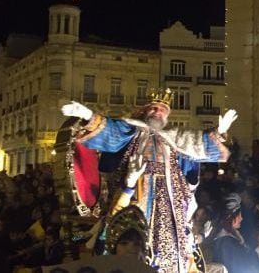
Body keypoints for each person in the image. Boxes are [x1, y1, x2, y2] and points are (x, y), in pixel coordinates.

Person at [62, 88, 237, 273]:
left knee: (174, 251)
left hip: (171, 205)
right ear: (144, 111)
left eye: (162, 109)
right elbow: (110, 131)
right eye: (153, 108)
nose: (157, 112)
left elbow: (197, 143)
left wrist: (220, 131)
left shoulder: (173, 137)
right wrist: (86, 114)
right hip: (136, 198)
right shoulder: (131, 130)